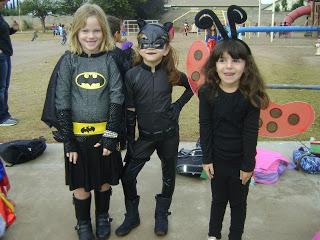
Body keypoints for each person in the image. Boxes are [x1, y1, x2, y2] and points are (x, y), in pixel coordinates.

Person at [115, 20, 193, 237]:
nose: (151, 47)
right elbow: (130, 110)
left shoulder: (171, 73)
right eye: (145, 43)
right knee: (127, 176)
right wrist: (130, 140)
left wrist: (176, 107)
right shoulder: (131, 75)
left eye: (158, 44)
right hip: (145, 138)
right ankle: (132, 216)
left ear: (166, 48)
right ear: (139, 47)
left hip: (169, 135)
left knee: (169, 175)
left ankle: (161, 213)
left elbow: (191, 88)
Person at [54, 4, 124, 240]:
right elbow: (62, 101)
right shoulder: (69, 61)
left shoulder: (110, 61)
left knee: (104, 182)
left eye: (96, 31)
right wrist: (68, 142)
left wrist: (110, 135)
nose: (90, 36)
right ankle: (83, 223)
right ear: (75, 33)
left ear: (104, 32)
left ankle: (102, 217)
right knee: (81, 185)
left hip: (104, 137)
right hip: (77, 137)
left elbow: (117, 98)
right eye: (84, 30)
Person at [199, 38, 270, 240]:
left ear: (246, 65)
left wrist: (248, 165)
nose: (229, 66)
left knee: (238, 204)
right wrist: (207, 158)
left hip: (240, 163)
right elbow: (206, 126)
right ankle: (213, 235)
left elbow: (250, 133)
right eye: (222, 60)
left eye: (236, 60)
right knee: (218, 200)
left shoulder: (250, 95)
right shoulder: (207, 92)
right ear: (214, 64)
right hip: (217, 161)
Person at [107, 15, 135, 150]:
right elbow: (129, 73)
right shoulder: (117, 54)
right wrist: (128, 53)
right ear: (116, 34)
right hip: (119, 98)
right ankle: (120, 142)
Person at [0, 0, 19, 127]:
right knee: (0, 88)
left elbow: (4, 33)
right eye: (3, 2)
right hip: (1, 56)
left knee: (4, 87)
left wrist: (13, 29)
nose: (5, 4)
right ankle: (2, 118)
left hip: (6, 54)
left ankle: (5, 114)